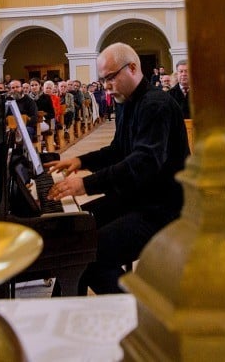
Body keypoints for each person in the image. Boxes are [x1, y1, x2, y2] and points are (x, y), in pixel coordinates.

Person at [45, 42, 189, 294]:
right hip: (135, 197)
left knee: (88, 255)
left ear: (132, 68)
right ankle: (65, 309)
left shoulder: (156, 104)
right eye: (103, 80)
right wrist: (81, 161)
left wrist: (85, 185)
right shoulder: (127, 102)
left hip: (161, 208)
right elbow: (118, 149)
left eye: (110, 77)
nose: (106, 86)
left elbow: (143, 163)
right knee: (72, 236)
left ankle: (136, 316)